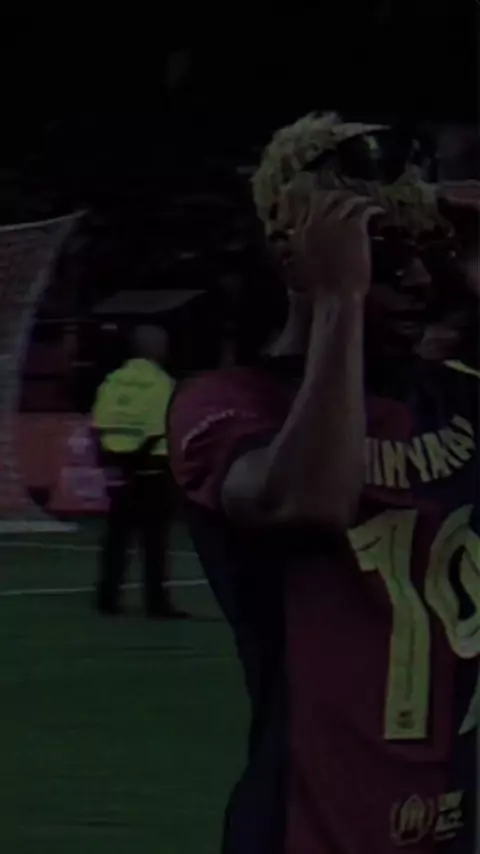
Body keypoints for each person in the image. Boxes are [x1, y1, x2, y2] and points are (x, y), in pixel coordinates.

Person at [167, 114, 479, 853]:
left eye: (423, 253)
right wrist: (338, 300)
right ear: (296, 259)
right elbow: (310, 500)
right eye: (383, 254)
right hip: (307, 833)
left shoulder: (458, 396)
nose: (414, 281)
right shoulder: (229, 402)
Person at [92, 324, 188, 619]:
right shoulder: (163, 384)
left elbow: (98, 422)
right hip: (151, 468)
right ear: (157, 349)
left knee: (117, 537)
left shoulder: (113, 381)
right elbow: (164, 425)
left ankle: (108, 598)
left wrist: (112, 459)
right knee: (154, 540)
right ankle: (156, 602)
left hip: (119, 467)